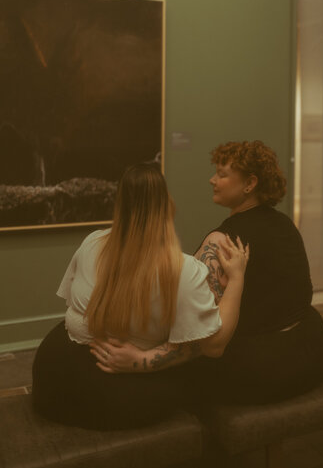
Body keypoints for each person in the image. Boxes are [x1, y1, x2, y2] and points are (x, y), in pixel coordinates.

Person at [92, 141, 323, 405]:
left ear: (250, 184)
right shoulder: (285, 224)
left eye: (222, 174)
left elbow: (199, 336)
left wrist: (140, 361)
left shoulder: (222, 243)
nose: (212, 180)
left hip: (266, 370)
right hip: (312, 353)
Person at [32, 163, 249, 429]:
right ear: (167, 205)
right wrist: (237, 278)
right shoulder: (183, 271)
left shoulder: (92, 241)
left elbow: (74, 304)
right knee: (194, 381)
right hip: (104, 395)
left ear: (120, 203)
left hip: (51, 377)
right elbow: (214, 347)